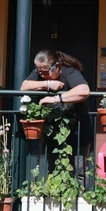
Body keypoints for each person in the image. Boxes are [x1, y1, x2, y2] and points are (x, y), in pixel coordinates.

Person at [19, 49, 92, 189]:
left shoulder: (70, 72)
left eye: (45, 72)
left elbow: (84, 91)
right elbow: (24, 86)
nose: (42, 74)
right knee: (53, 169)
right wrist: (47, 84)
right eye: (39, 71)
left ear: (57, 66)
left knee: (79, 171)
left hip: (78, 130)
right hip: (54, 131)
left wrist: (55, 99)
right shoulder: (41, 73)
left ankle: (81, 204)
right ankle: (56, 203)